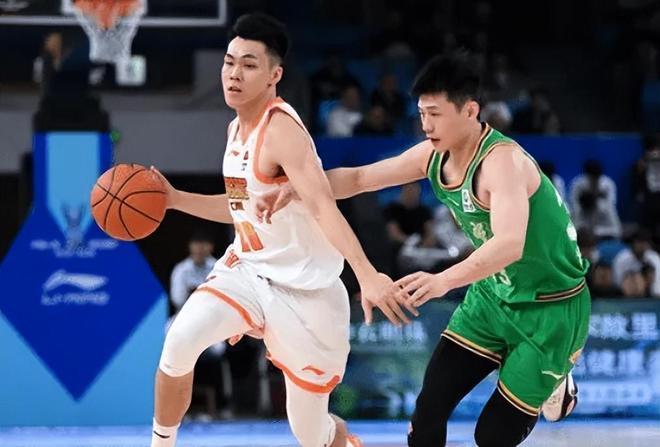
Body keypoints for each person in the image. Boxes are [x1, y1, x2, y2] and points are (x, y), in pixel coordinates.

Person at [261, 51, 590, 447]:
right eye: (421, 113)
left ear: (470, 111)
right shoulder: (432, 156)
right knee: (428, 412)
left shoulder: (502, 163)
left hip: (550, 309)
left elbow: (509, 245)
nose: (426, 124)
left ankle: (555, 381)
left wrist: (441, 281)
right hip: (493, 298)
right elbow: (362, 178)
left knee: (491, 437)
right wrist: (301, 187)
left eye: (435, 114)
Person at [148, 13, 410, 447]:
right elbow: (240, 209)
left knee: (310, 433)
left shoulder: (282, 130)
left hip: (306, 292)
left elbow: (324, 206)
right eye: (229, 62)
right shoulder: (235, 129)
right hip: (248, 270)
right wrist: (175, 199)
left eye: (248, 64)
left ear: (275, 75)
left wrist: (365, 273)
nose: (234, 73)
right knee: (179, 341)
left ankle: (340, 440)